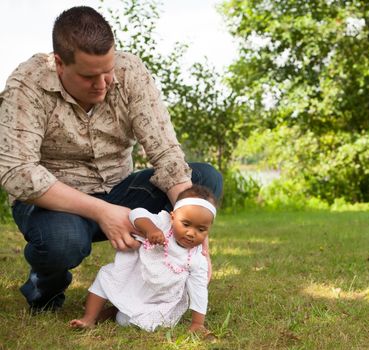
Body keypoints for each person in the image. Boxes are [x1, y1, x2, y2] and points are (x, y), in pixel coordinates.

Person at [0, 6, 222, 313]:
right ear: (60, 63)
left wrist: (200, 244)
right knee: (62, 240)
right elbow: (17, 172)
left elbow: (166, 154)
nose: (103, 83)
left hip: (120, 191)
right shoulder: (28, 84)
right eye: (90, 76)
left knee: (203, 181)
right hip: (55, 202)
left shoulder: (131, 72)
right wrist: (102, 212)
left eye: (108, 71)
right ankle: (45, 290)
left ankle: (154, 281)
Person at [70, 185, 216, 333]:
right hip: (135, 278)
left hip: (159, 298)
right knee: (105, 278)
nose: (191, 233)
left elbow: (199, 290)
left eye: (201, 229)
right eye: (186, 224)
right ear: (173, 217)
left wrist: (198, 323)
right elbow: (136, 213)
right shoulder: (163, 224)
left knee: (126, 322)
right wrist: (150, 228)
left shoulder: (197, 259)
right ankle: (89, 318)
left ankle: (115, 312)